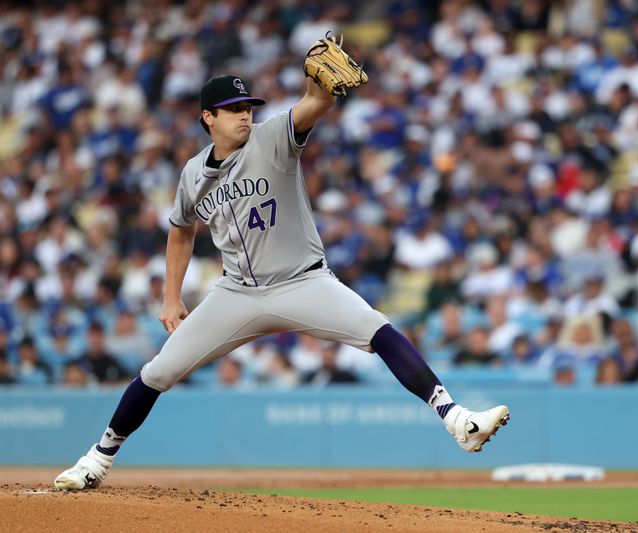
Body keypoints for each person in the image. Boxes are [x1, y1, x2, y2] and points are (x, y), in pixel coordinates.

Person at [54, 49, 509, 491]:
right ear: (207, 118)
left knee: (378, 328)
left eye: (247, 106)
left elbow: (317, 103)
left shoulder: (273, 138)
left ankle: (457, 419)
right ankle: (96, 459)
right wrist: (172, 295)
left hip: (302, 281)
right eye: (232, 109)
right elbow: (180, 231)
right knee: (157, 372)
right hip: (237, 293)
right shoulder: (192, 174)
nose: (244, 115)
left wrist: (318, 86)